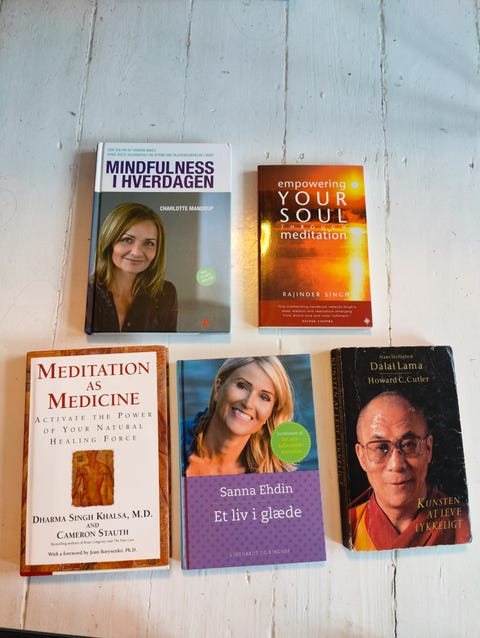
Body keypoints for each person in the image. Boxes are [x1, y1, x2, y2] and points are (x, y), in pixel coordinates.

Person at [350, 390, 471, 550]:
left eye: (408, 444)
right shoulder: (345, 527)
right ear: (362, 457)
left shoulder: (469, 524)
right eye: (380, 447)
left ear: (428, 449)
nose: (396, 464)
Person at [184, 356, 295, 476]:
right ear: (218, 388)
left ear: (271, 413)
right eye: (242, 386)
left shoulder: (273, 478)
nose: (248, 403)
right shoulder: (172, 438)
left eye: (264, 397)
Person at [86, 202, 177, 332]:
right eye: (127, 240)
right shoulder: (85, 294)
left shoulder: (166, 294)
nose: (137, 252)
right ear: (109, 242)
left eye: (149, 243)